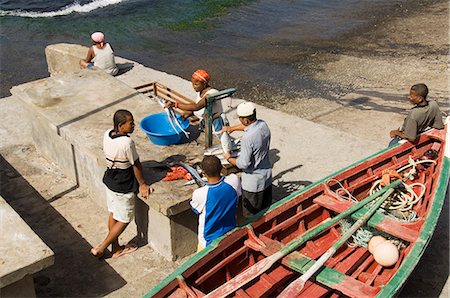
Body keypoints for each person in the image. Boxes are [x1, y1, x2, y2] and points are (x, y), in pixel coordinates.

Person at [91, 109, 153, 258]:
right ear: (121, 126)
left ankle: (116, 247)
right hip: (123, 184)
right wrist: (143, 184)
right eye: (130, 123)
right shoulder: (127, 142)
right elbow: (136, 165)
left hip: (110, 179)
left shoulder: (107, 134)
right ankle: (101, 247)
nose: (133, 125)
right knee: (125, 218)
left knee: (113, 212)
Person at [223, 102, 272, 218]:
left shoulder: (247, 138)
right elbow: (248, 127)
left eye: (240, 119)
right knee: (266, 210)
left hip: (253, 184)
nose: (240, 121)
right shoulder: (263, 125)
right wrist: (231, 129)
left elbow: (243, 164)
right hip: (267, 177)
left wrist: (228, 158)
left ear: (245, 120)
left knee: (252, 217)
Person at [190, 155, 241, 251]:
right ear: (221, 168)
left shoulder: (200, 193)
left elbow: (195, 209)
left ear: (203, 173)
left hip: (208, 240)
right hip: (230, 231)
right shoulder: (234, 181)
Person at [165, 69, 226, 138]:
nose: (194, 86)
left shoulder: (212, 94)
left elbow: (197, 106)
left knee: (220, 140)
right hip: (205, 121)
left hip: (215, 123)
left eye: (196, 84)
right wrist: (190, 113)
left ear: (204, 83)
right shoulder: (200, 91)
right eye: (192, 84)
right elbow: (198, 107)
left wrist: (175, 105)